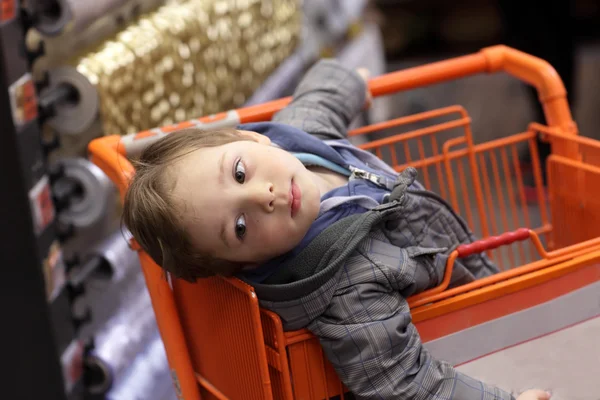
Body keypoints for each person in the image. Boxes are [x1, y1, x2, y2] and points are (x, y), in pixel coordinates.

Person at [123, 60, 551, 400]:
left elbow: (320, 97)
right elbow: (405, 383)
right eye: (239, 226)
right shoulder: (346, 288)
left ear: (250, 139)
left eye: (238, 173)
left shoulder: (300, 141)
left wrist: (353, 80)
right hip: (466, 321)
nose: (262, 197)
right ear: (247, 263)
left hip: (456, 256)